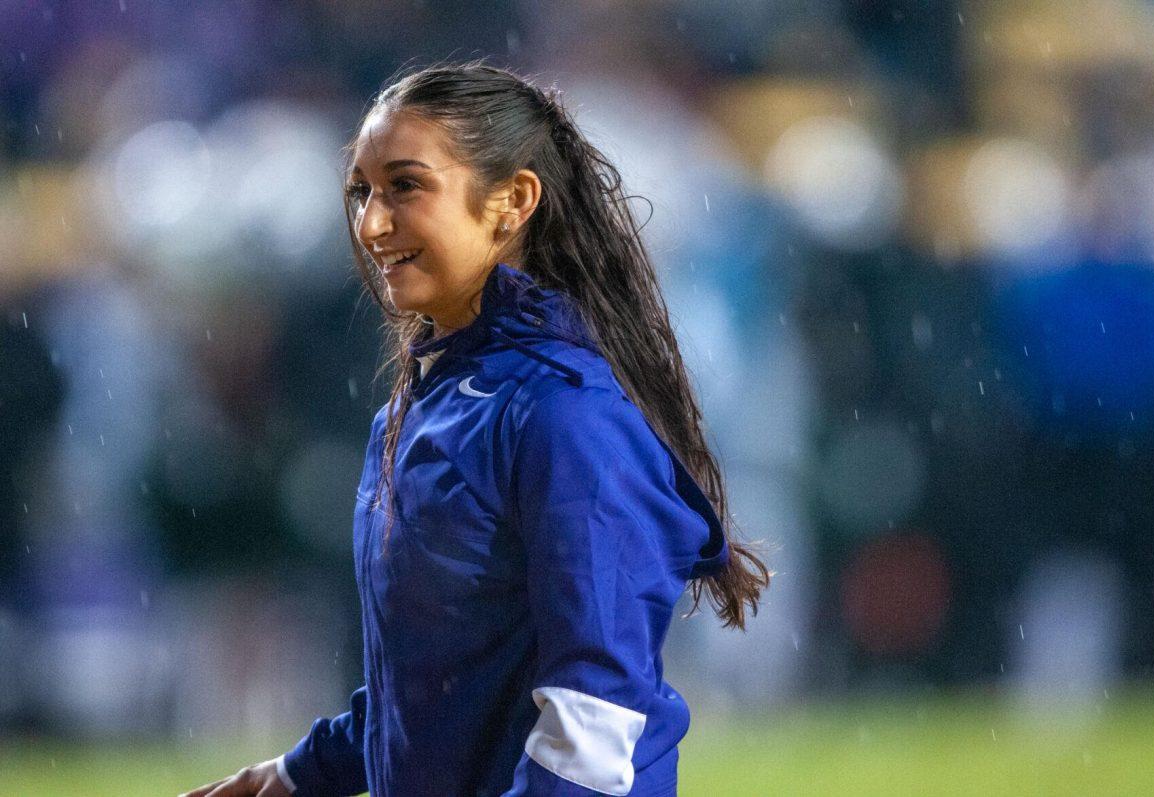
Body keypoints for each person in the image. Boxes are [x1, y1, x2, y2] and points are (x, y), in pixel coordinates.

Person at [181, 59, 769, 797]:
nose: (369, 223)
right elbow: (438, 689)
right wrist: (298, 775)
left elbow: (595, 719)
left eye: (406, 185)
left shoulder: (567, 413)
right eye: (362, 191)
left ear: (513, 200)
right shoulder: (418, 405)